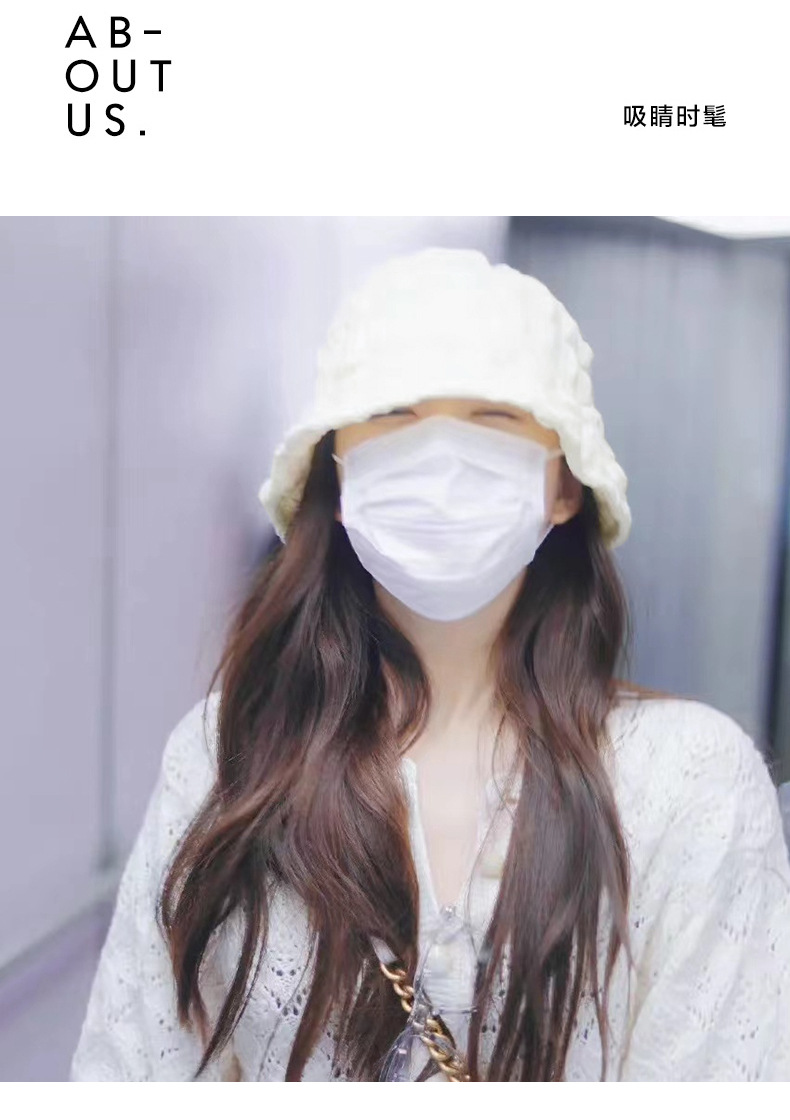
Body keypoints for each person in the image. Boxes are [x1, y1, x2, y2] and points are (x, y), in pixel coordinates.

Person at [71, 247, 790, 1082]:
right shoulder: (224, 757)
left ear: (566, 485)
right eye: (394, 413)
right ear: (336, 471)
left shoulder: (688, 784)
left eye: (494, 416)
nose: (442, 458)